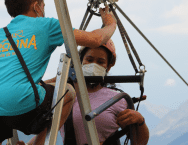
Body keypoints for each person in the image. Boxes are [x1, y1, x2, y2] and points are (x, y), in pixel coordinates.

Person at [0, 0, 117, 145]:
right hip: (19, 99)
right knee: (67, 92)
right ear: (36, 6)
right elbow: (95, 39)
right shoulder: (46, 25)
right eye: (43, 6)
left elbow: (9, 74)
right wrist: (110, 23)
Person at [17, 39, 149, 145]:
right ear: (81, 61)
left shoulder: (118, 99)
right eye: (89, 60)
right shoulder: (65, 95)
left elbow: (139, 142)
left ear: (108, 66)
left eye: (100, 62)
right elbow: (50, 130)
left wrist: (140, 121)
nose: (93, 65)